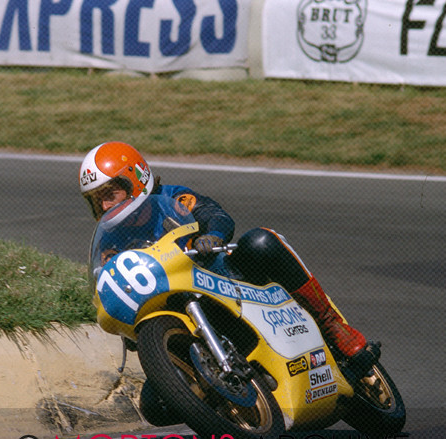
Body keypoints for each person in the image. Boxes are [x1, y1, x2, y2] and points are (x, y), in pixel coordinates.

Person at [80, 141, 369, 364]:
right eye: (96, 200)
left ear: (135, 180)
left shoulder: (168, 198)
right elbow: (109, 275)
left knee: (260, 242)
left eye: (109, 194)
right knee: (155, 405)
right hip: (176, 309)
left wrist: (211, 236)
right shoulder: (111, 240)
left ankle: (331, 324)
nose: (105, 206)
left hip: (223, 279)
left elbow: (213, 213)